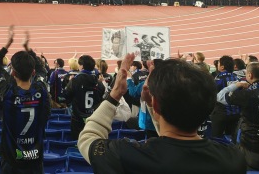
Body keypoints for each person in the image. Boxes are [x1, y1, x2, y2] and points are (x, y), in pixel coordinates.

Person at [78, 54, 247, 174]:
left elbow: (88, 138)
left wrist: (115, 94)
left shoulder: (127, 156)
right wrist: (155, 105)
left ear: (156, 105)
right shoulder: (234, 159)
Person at [0, 26, 50, 173]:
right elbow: (42, 70)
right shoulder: (41, 91)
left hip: (11, 161)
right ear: (33, 72)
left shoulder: (7, 93)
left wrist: (7, 44)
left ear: (13, 73)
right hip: (35, 161)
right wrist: (27, 48)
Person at [217, 61, 259, 170]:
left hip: (252, 146)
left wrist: (236, 85)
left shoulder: (246, 94)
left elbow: (220, 97)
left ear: (250, 75)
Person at [64, 54, 106, 140]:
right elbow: (102, 97)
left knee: (77, 142)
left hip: (77, 119)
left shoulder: (74, 81)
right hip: (93, 118)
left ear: (82, 66)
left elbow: (66, 95)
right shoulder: (99, 83)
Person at [212, 55, 241, 141]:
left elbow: (213, 93)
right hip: (236, 113)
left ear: (222, 67)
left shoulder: (218, 78)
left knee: (216, 139)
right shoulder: (236, 77)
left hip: (221, 113)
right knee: (233, 138)